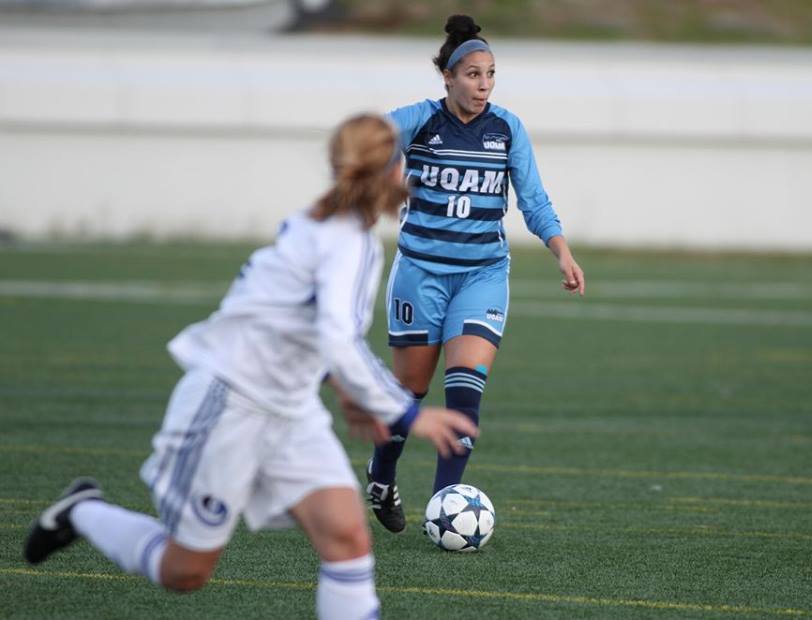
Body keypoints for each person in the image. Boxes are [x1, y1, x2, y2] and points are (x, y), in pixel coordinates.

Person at [22, 114, 477, 620]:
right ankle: (83, 512)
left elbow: (298, 326)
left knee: (347, 537)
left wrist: (347, 390)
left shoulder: (339, 230)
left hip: (290, 410)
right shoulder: (344, 239)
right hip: (229, 403)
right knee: (185, 571)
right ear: (392, 172)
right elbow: (335, 337)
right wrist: (407, 413)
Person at [365, 14, 585, 533]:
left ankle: (443, 507)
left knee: (465, 392)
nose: (483, 85)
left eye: (490, 75)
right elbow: (365, 142)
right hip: (420, 273)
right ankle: (381, 474)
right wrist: (383, 170)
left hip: (482, 275)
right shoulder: (419, 120)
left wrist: (561, 251)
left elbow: (533, 199)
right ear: (448, 78)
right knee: (409, 393)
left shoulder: (507, 129)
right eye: (472, 75)